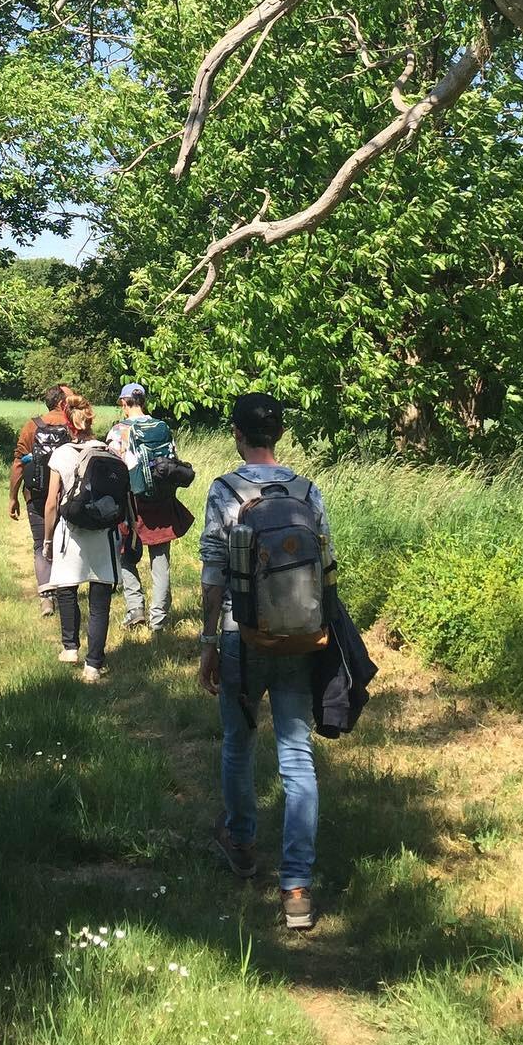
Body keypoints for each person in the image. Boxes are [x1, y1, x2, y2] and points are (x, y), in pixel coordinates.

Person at [198, 391, 333, 932]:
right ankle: (297, 887)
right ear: (278, 434)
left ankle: (242, 842)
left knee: (238, 742)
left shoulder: (225, 490)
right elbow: (325, 568)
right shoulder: (307, 490)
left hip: (242, 635)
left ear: (238, 433)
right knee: (296, 755)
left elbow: (212, 572)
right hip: (300, 638)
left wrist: (208, 642)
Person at [44, 396, 123, 684]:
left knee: (66, 587)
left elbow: (52, 502)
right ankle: (94, 665)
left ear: (68, 423)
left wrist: (47, 540)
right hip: (103, 532)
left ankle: (70, 648)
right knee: (100, 599)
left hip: (71, 531)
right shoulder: (109, 451)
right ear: (91, 421)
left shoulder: (61, 453)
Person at [107, 381, 191, 634]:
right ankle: (159, 621)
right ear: (144, 401)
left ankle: (135, 610)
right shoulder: (162, 427)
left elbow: (113, 468)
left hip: (132, 503)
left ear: (124, 402)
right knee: (161, 560)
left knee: (125, 555)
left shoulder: (119, 430)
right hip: (162, 501)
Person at [9, 384, 76, 617]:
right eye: (70, 397)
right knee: (66, 541)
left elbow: (19, 462)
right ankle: (67, 590)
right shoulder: (72, 425)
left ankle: (47, 598)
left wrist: (13, 497)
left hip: (36, 494)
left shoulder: (31, 426)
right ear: (61, 403)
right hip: (67, 493)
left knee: (41, 544)